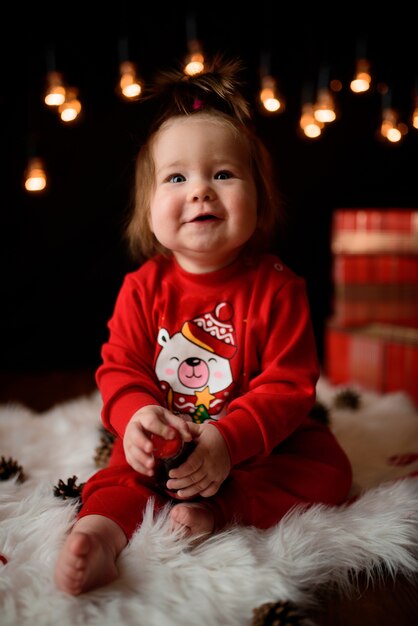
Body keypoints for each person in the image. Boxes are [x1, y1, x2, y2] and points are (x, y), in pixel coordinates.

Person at [54, 56, 352, 595]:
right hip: (167, 441)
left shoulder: (279, 288)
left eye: (222, 174)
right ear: (149, 210)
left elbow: (289, 386)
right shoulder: (143, 288)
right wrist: (139, 415)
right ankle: (98, 535)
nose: (200, 191)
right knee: (123, 472)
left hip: (255, 446)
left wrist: (227, 441)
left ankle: (218, 509)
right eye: (176, 177)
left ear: (259, 200)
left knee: (328, 468)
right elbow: (120, 367)